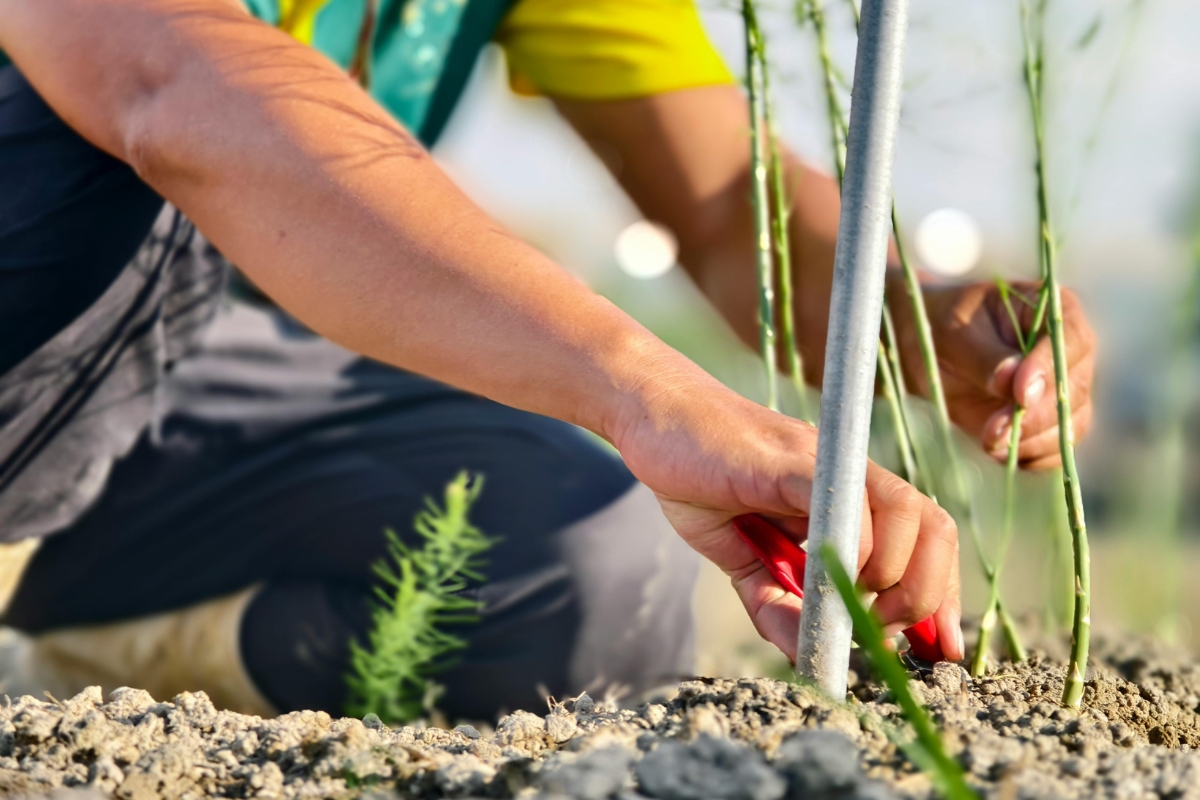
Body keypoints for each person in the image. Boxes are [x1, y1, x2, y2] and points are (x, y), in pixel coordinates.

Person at [0, 0, 1094, 720]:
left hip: (197, 381)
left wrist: (915, 322)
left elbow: (726, 208)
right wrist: (646, 392)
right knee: (107, 158)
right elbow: (167, 84)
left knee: (582, 566)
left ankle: (72, 668)